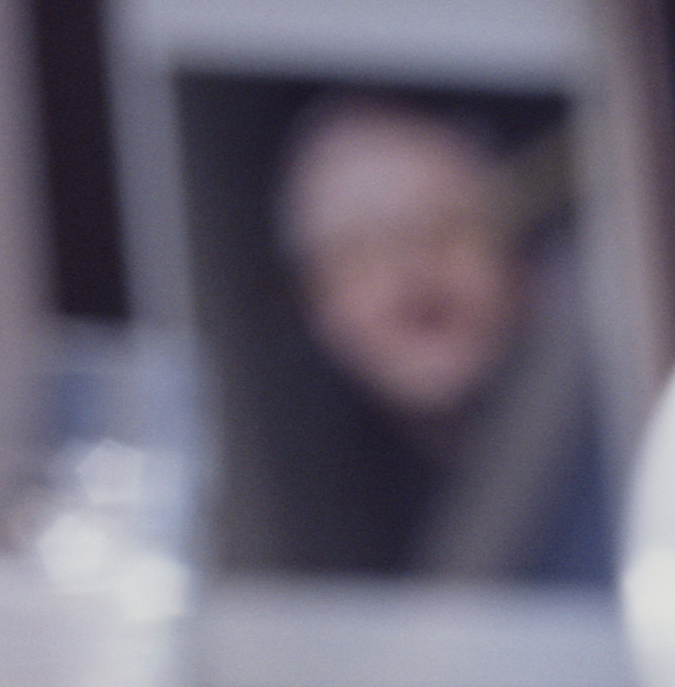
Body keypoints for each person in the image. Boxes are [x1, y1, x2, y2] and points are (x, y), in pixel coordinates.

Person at [236, 91, 613, 585]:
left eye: (442, 229)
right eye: (359, 254)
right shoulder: (315, 510)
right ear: (313, 302)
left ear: (519, 246)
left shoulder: (614, 413)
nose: (409, 279)